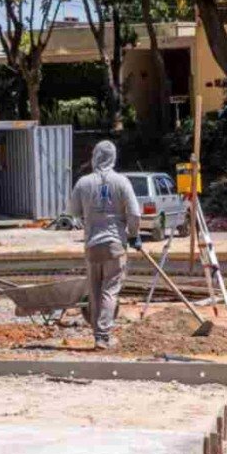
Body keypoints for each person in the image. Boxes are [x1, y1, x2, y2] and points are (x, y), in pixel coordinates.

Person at [66, 141, 142, 351]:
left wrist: (89, 216)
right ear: (113, 157)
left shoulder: (83, 182)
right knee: (110, 290)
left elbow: (72, 212)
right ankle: (103, 336)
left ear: (95, 156)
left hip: (92, 245)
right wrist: (133, 234)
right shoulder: (122, 182)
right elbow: (134, 214)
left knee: (95, 291)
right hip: (115, 245)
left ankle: (97, 335)